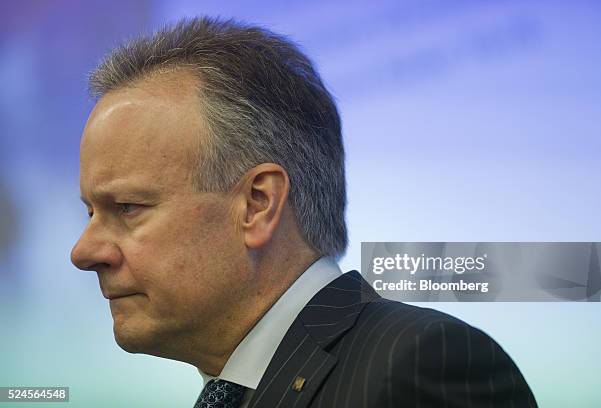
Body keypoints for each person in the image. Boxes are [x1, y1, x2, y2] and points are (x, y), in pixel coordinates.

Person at [70, 17, 537, 408]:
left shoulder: (421, 364)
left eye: (127, 207)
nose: (84, 251)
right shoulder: (237, 388)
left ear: (258, 204)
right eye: (90, 211)